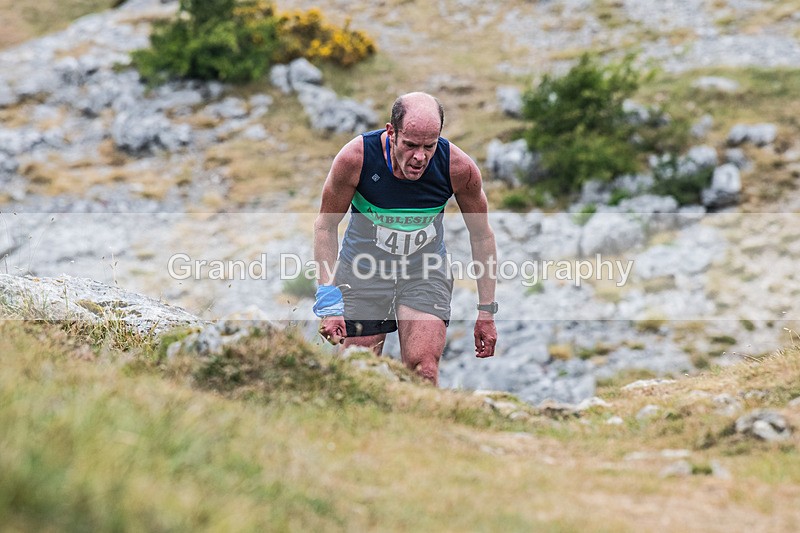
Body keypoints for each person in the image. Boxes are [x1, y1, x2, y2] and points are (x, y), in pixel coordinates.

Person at [313, 91, 497, 385]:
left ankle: (422, 430)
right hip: (363, 272)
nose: (420, 157)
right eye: (410, 145)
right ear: (391, 132)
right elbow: (325, 226)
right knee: (360, 373)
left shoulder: (458, 168)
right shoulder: (356, 159)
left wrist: (486, 311)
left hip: (424, 272)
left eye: (429, 146)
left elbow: (482, 236)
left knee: (424, 371)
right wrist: (329, 302)